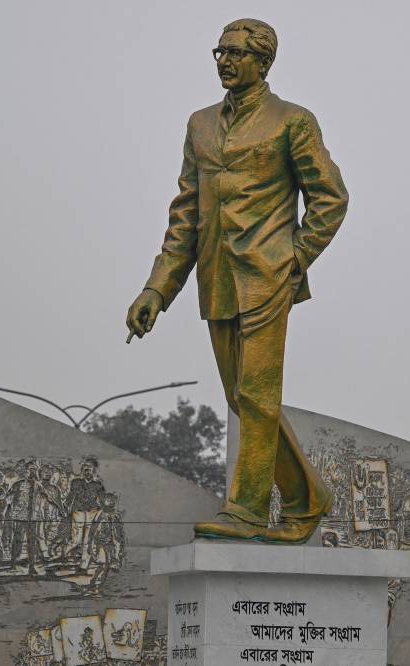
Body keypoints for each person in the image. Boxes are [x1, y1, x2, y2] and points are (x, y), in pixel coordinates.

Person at [125, 18, 347, 543]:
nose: (223, 60)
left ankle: (245, 511)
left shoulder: (293, 121)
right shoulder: (199, 125)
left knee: (257, 395)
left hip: (268, 275)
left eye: (235, 53)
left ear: (263, 62)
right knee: (242, 397)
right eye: (219, 51)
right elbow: (185, 215)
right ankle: (306, 499)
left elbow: (331, 198)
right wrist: (157, 287)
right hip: (216, 277)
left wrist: (295, 259)